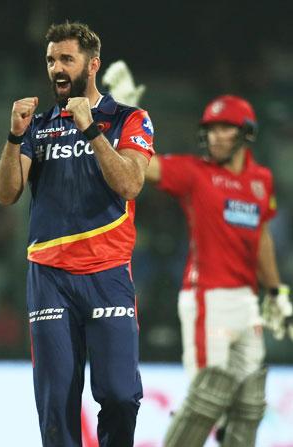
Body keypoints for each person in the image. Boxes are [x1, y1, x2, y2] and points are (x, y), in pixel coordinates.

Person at [0, 21, 155, 447]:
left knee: (120, 396)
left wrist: (91, 130)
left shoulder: (128, 119)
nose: (57, 68)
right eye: (51, 60)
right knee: (55, 406)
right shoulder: (39, 124)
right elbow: (7, 193)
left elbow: (130, 185)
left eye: (67, 59)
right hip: (50, 279)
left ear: (92, 64)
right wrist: (14, 135)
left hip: (107, 274)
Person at [143, 94, 292, 446]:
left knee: (249, 406)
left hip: (247, 302)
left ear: (246, 133)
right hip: (206, 296)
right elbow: (145, 166)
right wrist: (126, 125)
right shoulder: (195, 174)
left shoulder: (261, 181)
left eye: (225, 127)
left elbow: (262, 238)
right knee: (207, 398)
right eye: (210, 129)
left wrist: (276, 292)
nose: (215, 136)